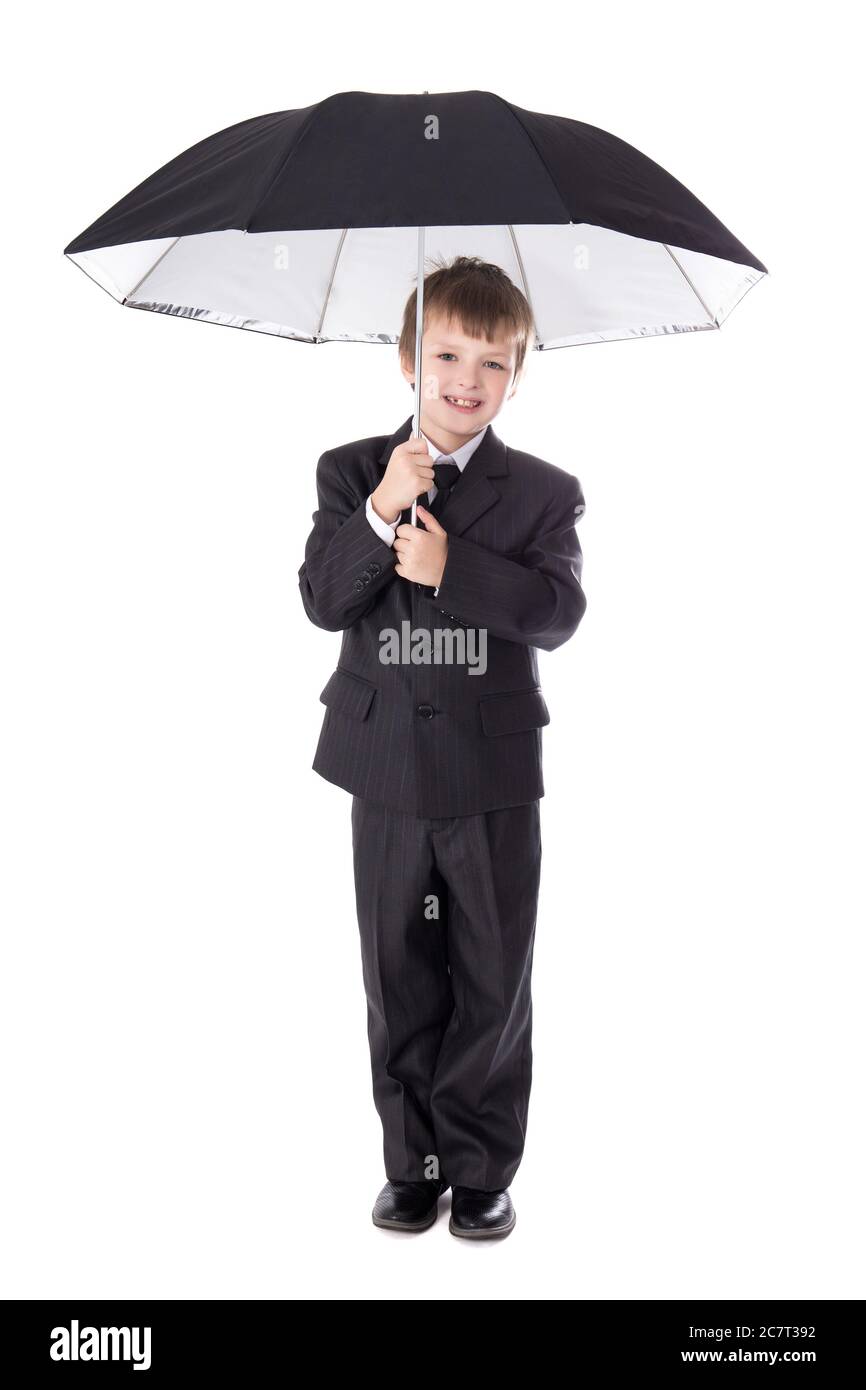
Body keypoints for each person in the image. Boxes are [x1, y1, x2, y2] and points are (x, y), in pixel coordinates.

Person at [298, 255, 587, 1239]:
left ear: (517, 376)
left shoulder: (543, 494)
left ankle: (478, 1165)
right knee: (398, 973)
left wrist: (452, 566)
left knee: (491, 972)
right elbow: (319, 600)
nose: (467, 377)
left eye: (493, 362)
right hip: (382, 768)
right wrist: (382, 512)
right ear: (407, 359)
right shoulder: (350, 472)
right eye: (447, 353)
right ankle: (413, 1162)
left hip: (491, 775)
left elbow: (556, 612)